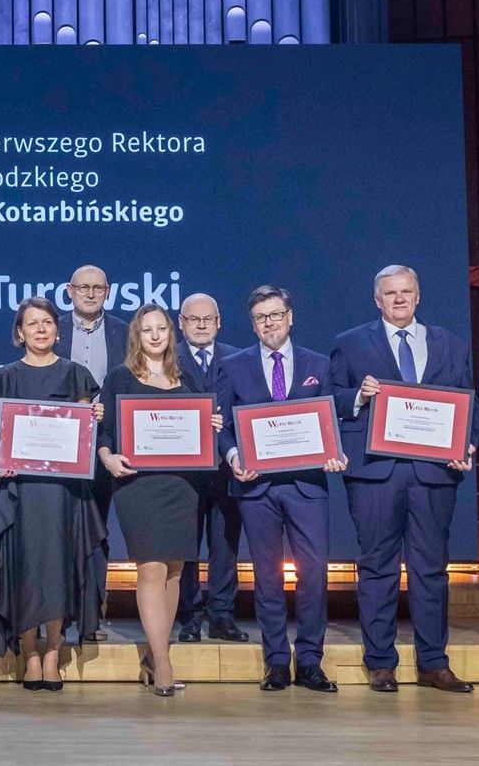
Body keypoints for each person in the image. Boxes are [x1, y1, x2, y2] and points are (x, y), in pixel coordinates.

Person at [330, 265, 479, 693]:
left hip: (433, 474)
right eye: (390, 293)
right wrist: (358, 395)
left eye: (406, 292)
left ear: (418, 296)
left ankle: (434, 663)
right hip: (375, 473)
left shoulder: (450, 345)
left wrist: (468, 443)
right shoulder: (350, 343)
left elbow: (470, 406)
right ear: (377, 300)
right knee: (377, 567)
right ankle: (380, 663)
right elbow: (332, 398)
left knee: (431, 570)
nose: (399, 299)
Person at [215, 285, 346, 693]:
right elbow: (222, 427)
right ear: (253, 324)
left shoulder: (319, 364)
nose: (268, 323)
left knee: (314, 576)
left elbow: (331, 422)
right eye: (260, 318)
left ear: (290, 316)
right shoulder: (233, 365)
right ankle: (275, 661)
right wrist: (234, 456)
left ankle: (310, 660)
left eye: (275, 315)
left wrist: (333, 453)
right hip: (256, 489)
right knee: (267, 577)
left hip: (307, 486)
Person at [0, 297, 105, 691]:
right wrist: (1, 457)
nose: (40, 329)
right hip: (21, 490)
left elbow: (85, 434)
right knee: (25, 569)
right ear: (20, 333)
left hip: (64, 493)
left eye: (47, 322)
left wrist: (93, 421)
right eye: (32, 323)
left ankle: (53, 650)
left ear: (57, 329)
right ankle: (29, 651)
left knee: (57, 569)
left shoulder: (76, 374)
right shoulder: (6, 376)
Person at [97, 303, 222, 695]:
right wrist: (108, 459)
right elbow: (102, 433)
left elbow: (203, 430)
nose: (155, 336)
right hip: (138, 486)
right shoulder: (119, 377)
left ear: (171, 334)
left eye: (162, 329)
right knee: (150, 568)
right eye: (147, 329)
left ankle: (155, 656)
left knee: (173, 570)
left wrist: (212, 425)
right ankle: (164, 664)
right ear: (137, 335)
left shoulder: (185, 377)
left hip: (181, 485)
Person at [172, 292, 248, 644]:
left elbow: (247, 409)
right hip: (184, 471)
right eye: (193, 319)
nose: (201, 325)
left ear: (218, 322)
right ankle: (188, 616)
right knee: (186, 545)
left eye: (208, 319)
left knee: (225, 544)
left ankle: (221, 615)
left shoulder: (239, 359)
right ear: (181, 323)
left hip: (226, 467)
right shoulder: (167, 358)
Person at [57, 265, 128, 641]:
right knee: (59, 529)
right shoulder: (52, 328)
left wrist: (108, 413)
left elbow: (132, 383)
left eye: (97, 287)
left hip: (106, 444)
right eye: (83, 287)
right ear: (69, 291)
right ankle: (58, 613)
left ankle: (92, 614)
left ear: (107, 291)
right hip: (58, 442)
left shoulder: (123, 331)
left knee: (97, 530)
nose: (90, 293)